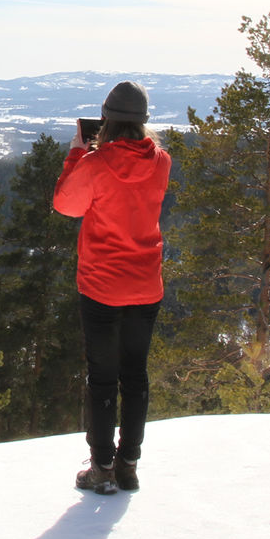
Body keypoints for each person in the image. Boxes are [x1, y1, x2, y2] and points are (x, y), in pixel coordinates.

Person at [53, 81, 171, 495]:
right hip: (146, 283)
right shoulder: (161, 162)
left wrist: (77, 153)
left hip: (102, 285)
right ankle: (129, 465)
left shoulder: (96, 163)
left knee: (102, 377)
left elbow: (65, 204)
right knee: (135, 375)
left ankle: (102, 467)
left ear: (105, 119)